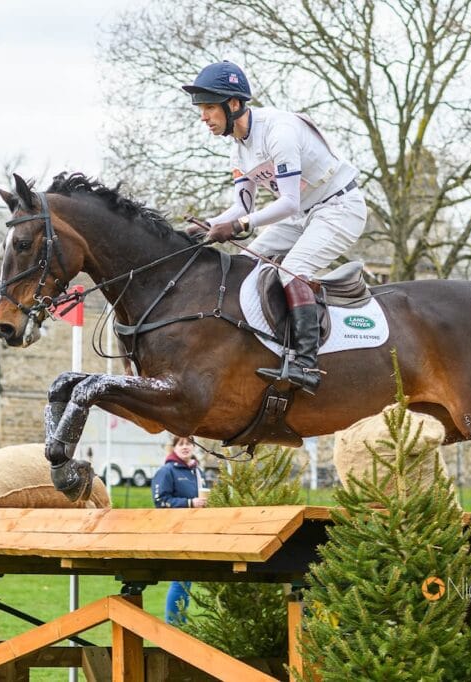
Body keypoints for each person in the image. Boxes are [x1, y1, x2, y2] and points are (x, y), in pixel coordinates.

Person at [182, 60, 368, 395]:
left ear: (233, 103)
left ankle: (306, 362)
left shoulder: (278, 131)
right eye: (202, 109)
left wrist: (238, 224)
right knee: (252, 261)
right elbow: (244, 205)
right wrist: (210, 224)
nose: (203, 117)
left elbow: (287, 203)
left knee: (292, 269)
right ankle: (270, 344)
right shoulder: (238, 151)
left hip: (340, 207)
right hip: (304, 215)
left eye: (209, 107)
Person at [152, 435, 207, 625]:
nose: (185, 447)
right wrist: (189, 503)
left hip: (195, 532)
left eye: (189, 443)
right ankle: (174, 624)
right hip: (176, 532)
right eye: (181, 443)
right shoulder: (167, 471)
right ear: (174, 447)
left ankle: (180, 622)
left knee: (187, 580)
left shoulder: (197, 471)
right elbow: (160, 501)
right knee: (180, 579)